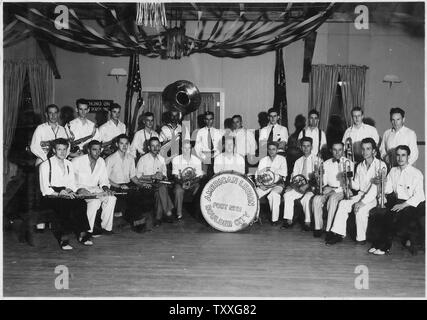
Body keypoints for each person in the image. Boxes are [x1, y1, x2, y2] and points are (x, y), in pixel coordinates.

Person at [326, 138, 387, 245]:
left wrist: (362, 202)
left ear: (374, 151)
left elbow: (375, 188)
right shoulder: (360, 165)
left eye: (368, 149)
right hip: (361, 194)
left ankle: (361, 239)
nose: (365, 152)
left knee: (360, 210)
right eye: (363, 149)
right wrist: (348, 180)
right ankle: (338, 233)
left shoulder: (381, 165)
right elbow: (357, 186)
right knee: (343, 203)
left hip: (376, 197)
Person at [368, 145, 425, 255]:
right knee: (379, 214)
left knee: (391, 216)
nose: (400, 158)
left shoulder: (416, 173)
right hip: (398, 201)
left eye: (403, 155)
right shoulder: (393, 170)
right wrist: (383, 182)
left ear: (408, 157)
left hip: (414, 204)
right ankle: (378, 244)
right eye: (398, 155)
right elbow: (389, 189)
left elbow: (419, 196)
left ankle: (385, 247)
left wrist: (403, 205)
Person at [39, 138, 92, 250]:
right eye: (59, 149)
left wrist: (71, 191)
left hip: (65, 194)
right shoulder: (45, 165)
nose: (62, 152)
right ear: (54, 150)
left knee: (81, 203)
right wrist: (59, 193)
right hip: (50, 196)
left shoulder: (69, 164)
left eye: (64, 149)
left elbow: (72, 183)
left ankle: (81, 233)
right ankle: (63, 238)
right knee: (63, 205)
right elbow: (45, 189)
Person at [30, 104, 69, 232]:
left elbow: (66, 147)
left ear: (58, 114)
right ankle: (40, 222)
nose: (53, 116)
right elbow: (34, 147)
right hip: (43, 162)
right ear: (46, 114)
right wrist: (47, 160)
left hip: (59, 164)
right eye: (50, 113)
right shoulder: (40, 128)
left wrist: (60, 159)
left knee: (57, 191)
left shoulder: (63, 129)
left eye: (55, 113)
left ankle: (54, 220)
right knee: (42, 193)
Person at [106, 134, 150, 233]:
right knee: (133, 195)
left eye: (126, 144)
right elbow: (105, 179)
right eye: (121, 143)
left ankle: (134, 220)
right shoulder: (110, 159)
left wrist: (141, 184)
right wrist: (119, 186)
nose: (124, 146)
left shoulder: (130, 158)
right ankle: (139, 225)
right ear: (117, 144)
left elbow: (133, 177)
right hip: (114, 186)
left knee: (142, 192)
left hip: (127, 185)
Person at [72, 140, 117, 236]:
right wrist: (78, 189)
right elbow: (69, 180)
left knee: (111, 198)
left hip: (95, 189)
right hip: (80, 189)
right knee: (95, 202)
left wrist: (106, 189)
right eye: (94, 150)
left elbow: (104, 180)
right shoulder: (77, 161)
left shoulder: (101, 161)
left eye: (99, 150)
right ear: (88, 150)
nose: (97, 152)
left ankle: (106, 228)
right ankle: (88, 231)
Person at [311, 142, 354, 237]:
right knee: (316, 199)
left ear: (343, 151)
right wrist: (319, 178)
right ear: (331, 150)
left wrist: (333, 191)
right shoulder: (326, 163)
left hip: (342, 190)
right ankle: (318, 228)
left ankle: (329, 229)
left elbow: (349, 184)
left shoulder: (349, 163)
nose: (337, 152)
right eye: (335, 150)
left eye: (340, 150)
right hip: (329, 189)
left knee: (333, 199)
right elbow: (324, 182)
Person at [281, 137, 318, 230]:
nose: (306, 148)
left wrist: (308, 185)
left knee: (305, 199)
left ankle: (307, 222)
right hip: (299, 187)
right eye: (304, 146)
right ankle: (289, 220)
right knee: (287, 195)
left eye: (308, 146)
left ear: (312, 147)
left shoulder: (317, 160)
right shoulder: (298, 161)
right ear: (301, 147)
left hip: (311, 187)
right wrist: (292, 186)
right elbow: (294, 176)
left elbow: (318, 179)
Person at [136, 137, 174, 226]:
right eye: (152, 146)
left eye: (157, 146)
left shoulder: (161, 159)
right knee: (161, 189)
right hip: (146, 185)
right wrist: (152, 176)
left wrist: (162, 176)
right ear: (149, 147)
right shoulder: (143, 159)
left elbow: (165, 175)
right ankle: (167, 212)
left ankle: (158, 218)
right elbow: (138, 177)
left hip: (158, 184)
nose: (155, 148)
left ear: (160, 146)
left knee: (160, 190)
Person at [255, 141, 287, 225]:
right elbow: (257, 174)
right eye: (269, 149)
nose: (271, 151)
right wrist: (260, 184)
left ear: (277, 150)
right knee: (254, 194)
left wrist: (271, 169)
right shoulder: (263, 160)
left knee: (273, 195)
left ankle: (274, 220)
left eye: (273, 149)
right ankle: (255, 216)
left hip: (278, 184)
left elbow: (284, 173)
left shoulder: (282, 159)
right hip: (265, 184)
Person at [172, 140, 204, 220]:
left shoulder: (197, 160)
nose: (186, 150)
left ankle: (199, 213)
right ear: (181, 148)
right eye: (184, 148)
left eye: (188, 148)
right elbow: (175, 176)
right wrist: (182, 183)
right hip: (180, 182)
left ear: (191, 149)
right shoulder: (176, 159)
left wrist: (191, 182)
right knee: (178, 191)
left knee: (200, 188)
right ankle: (178, 214)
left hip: (193, 183)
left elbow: (199, 177)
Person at [194, 111, 223, 178]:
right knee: (205, 177)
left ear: (213, 120)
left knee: (215, 176)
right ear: (204, 120)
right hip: (204, 157)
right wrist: (204, 157)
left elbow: (220, 146)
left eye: (211, 119)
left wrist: (214, 155)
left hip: (215, 157)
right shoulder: (200, 132)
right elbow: (197, 147)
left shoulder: (218, 132)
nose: (209, 121)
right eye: (207, 119)